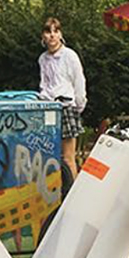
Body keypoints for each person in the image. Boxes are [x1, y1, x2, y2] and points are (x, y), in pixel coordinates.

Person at [37, 16, 87, 178]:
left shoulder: (69, 56)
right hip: (48, 108)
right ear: (43, 36)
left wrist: (79, 105)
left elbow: (79, 81)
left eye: (55, 31)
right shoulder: (43, 59)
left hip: (66, 107)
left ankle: (73, 195)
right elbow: (44, 83)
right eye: (48, 31)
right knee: (50, 155)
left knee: (68, 158)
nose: (52, 35)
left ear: (60, 34)